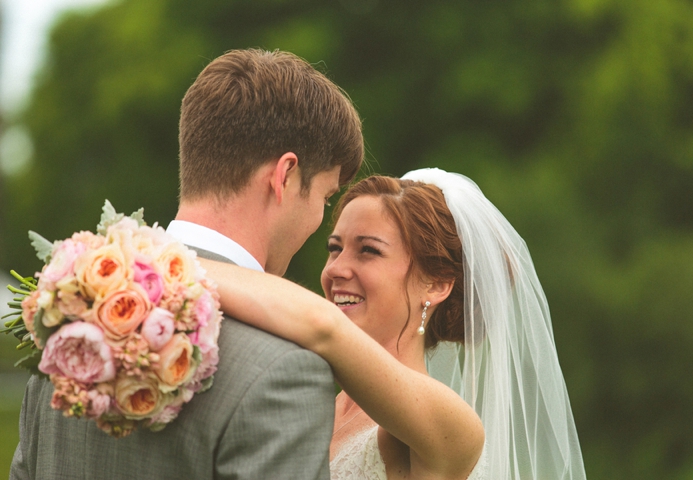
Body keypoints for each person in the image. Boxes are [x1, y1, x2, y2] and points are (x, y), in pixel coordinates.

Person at [10, 48, 364, 479]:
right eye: (325, 198)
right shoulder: (286, 370)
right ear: (285, 175)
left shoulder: (67, 324)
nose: (318, 219)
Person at [199, 168, 588, 479]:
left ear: (436, 284)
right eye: (334, 248)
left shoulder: (451, 425)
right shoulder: (309, 398)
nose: (335, 269)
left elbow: (321, 325)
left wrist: (159, 265)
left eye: (368, 251)